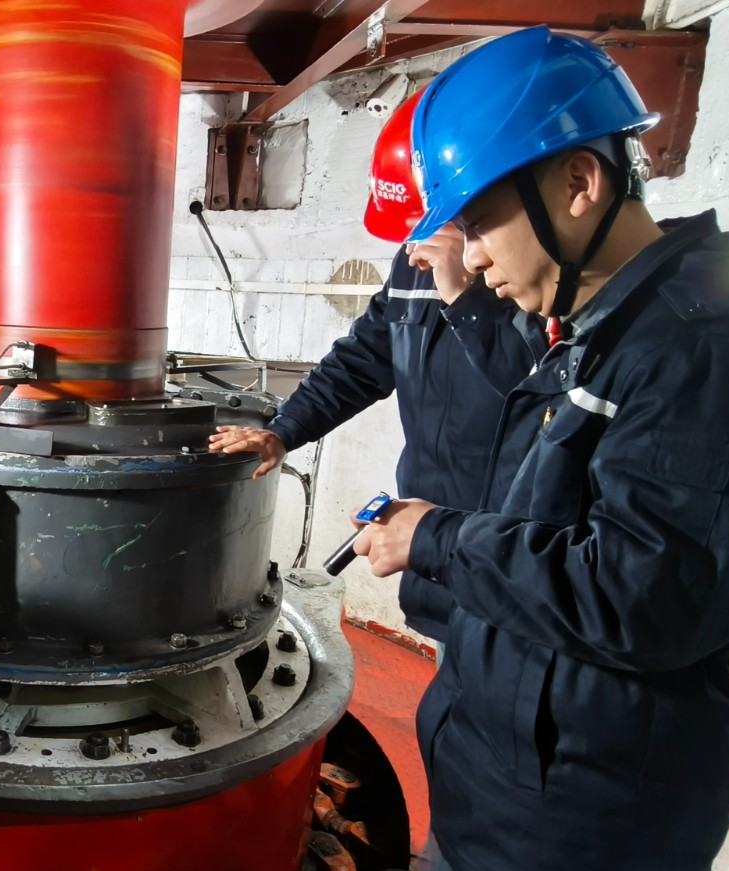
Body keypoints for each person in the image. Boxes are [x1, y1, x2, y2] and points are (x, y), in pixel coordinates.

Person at [355, 27, 729, 871]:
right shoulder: (604, 330)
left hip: (586, 824)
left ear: (580, 183)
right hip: (521, 787)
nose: (471, 257)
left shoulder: (704, 358)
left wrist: (436, 538)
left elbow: (642, 596)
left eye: (481, 224)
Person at [210, 89, 546, 647]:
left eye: (432, 226)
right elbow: (362, 360)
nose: (414, 249)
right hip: (433, 534)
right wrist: (283, 431)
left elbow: (538, 394)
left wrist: (468, 301)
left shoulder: (539, 280)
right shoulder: (413, 268)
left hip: (516, 549)